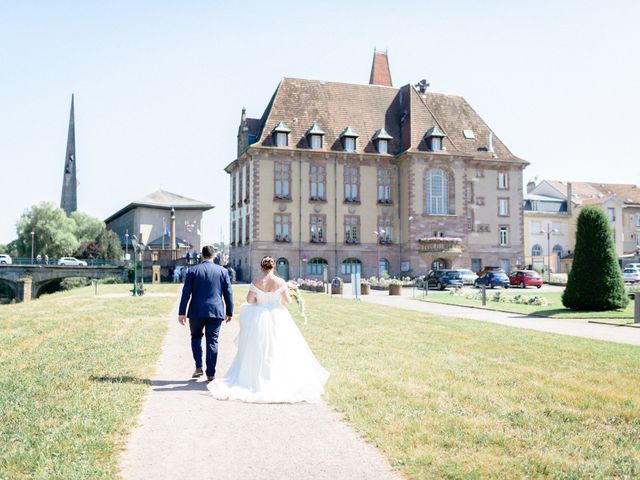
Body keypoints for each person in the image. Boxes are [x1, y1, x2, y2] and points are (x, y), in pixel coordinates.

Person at [207, 256, 329, 403]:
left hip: (259, 317)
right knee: (280, 348)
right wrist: (291, 293)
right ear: (273, 267)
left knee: (258, 349)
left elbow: (249, 301)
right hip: (278, 316)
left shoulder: (256, 282)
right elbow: (287, 301)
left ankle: (256, 378)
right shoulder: (280, 282)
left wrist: (260, 298)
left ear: (261, 267)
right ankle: (279, 377)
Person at [178, 245, 233, 382]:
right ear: (214, 255)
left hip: (196, 311)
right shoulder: (223, 271)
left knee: (196, 337)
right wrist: (229, 311)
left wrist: (182, 312)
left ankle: (198, 367)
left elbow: (186, 293)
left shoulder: (192, 270)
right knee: (212, 341)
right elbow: (228, 293)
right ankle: (211, 373)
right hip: (215, 311)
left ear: (202, 255)